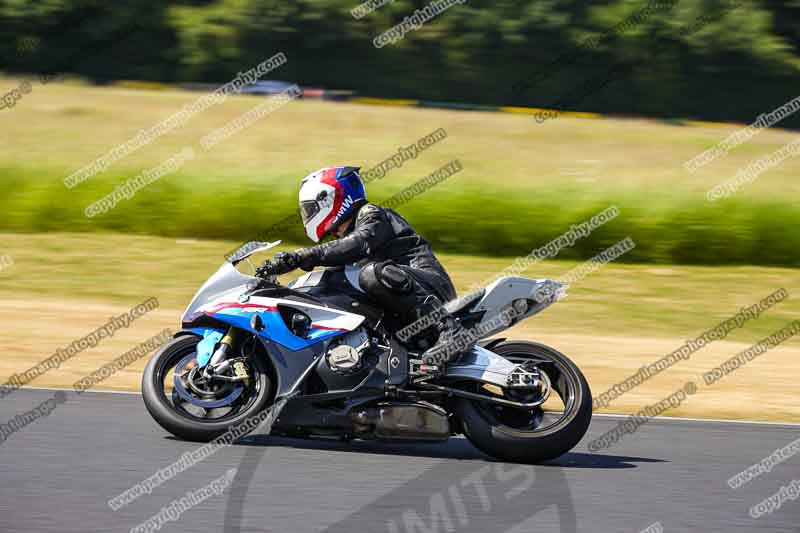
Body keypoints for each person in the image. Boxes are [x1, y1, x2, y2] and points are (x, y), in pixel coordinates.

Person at [257, 166, 470, 370]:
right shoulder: (348, 237)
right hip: (400, 305)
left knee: (371, 274)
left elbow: (359, 243)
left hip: (429, 286)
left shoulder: (372, 215)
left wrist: (303, 256)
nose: (307, 215)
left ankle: (451, 330)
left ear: (331, 198)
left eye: (310, 208)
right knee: (322, 286)